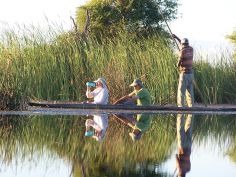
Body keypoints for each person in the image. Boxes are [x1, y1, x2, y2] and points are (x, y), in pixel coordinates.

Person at [172, 34, 194, 107]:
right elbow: (182, 44)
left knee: (181, 92)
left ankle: (180, 106)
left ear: (182, 44)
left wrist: (176, 66)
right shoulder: (191, 49)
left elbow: (179, 62)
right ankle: (191, 106)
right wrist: (176, 37)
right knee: (190, 91)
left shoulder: (182, 51)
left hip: (184, 74)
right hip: (191, 74)